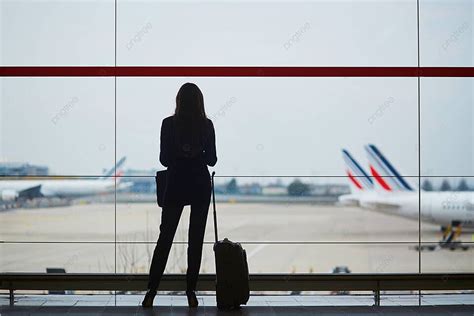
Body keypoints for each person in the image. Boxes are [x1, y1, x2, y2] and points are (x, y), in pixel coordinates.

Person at [142, 82, 217, 308]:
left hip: (175, 184)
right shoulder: (207, 125)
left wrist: (180, 154)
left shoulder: (168, 124)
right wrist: (196, 153)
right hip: (199, 185)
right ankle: (191, 292)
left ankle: (151, 292)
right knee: (195, 241)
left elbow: (164, 159)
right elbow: (212, 159)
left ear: (178, 101)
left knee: (164, 239)